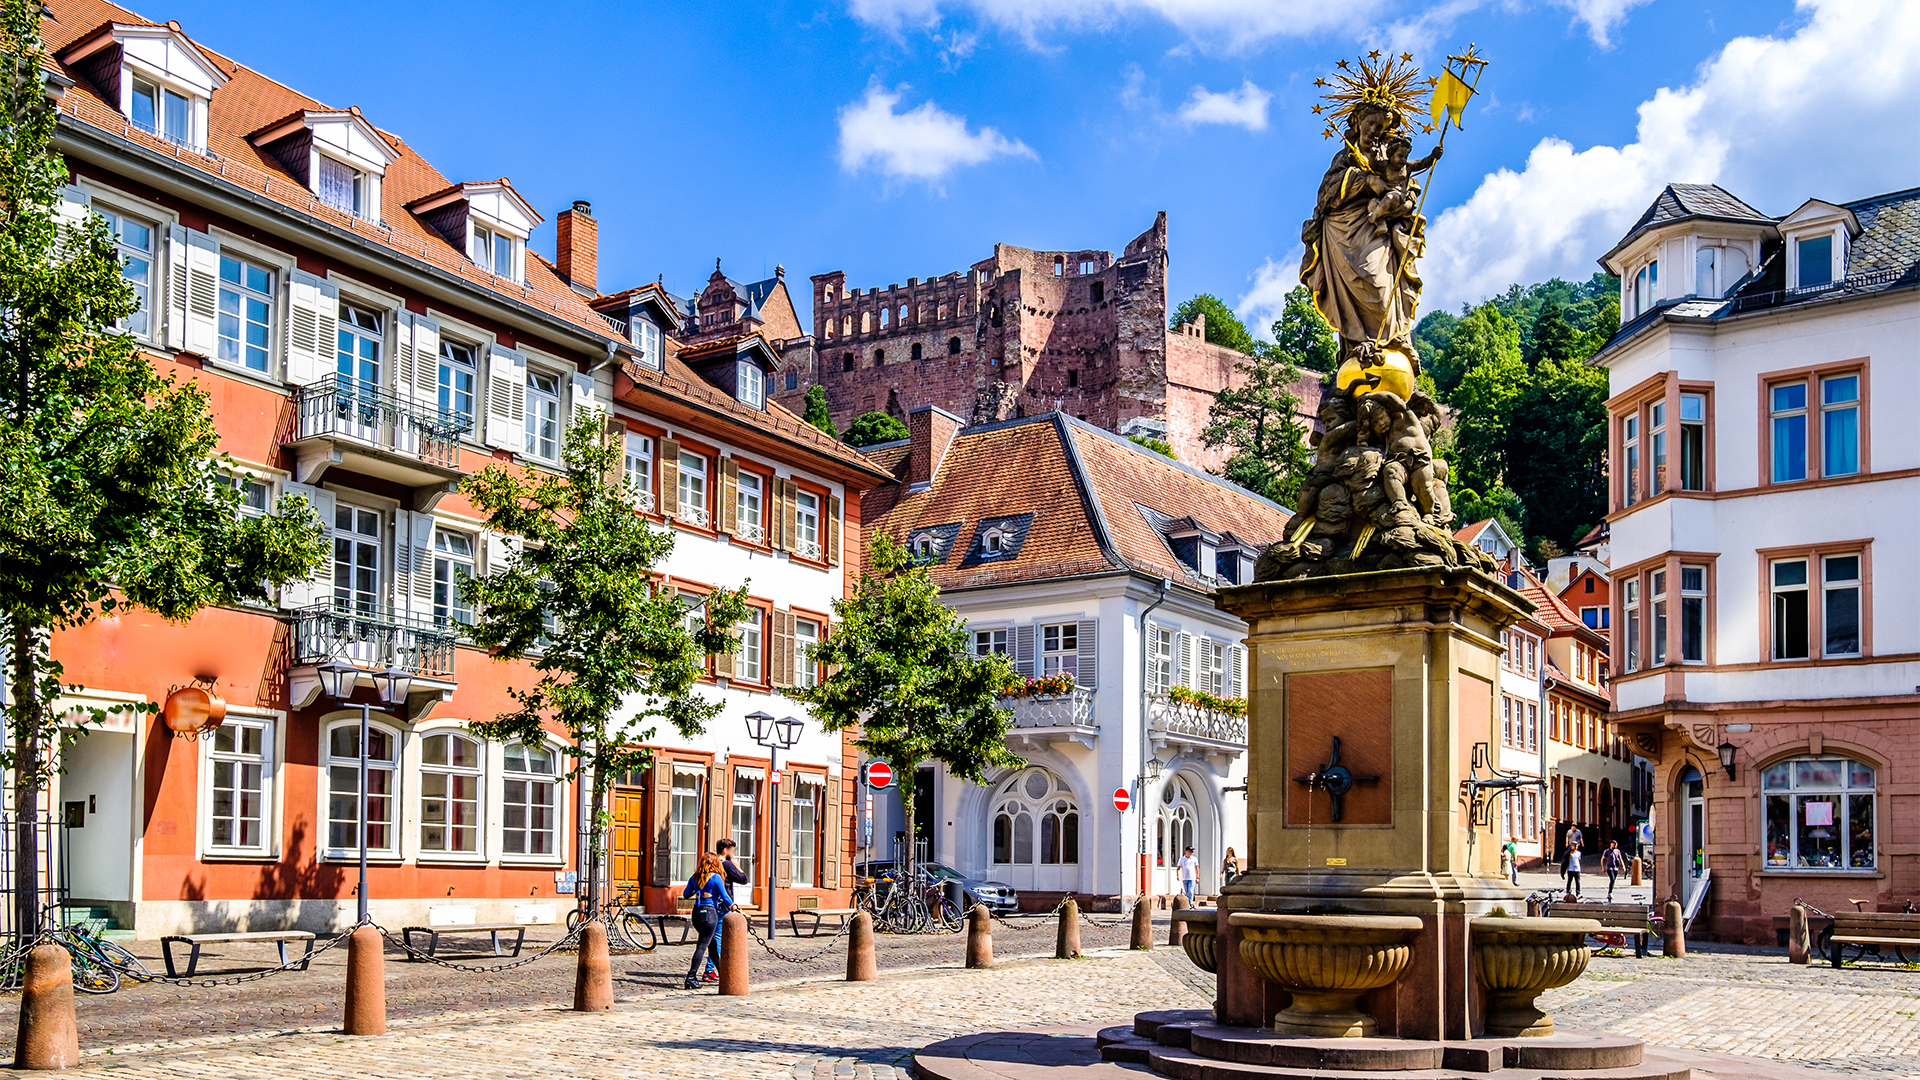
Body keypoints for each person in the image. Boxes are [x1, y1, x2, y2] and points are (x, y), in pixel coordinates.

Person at [683, 851, 733, 990]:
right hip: (710, 914)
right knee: (702, 946)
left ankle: (724, 975)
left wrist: (697, 889)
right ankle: (691, 977)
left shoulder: (695, 877)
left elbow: (686, 894)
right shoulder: (716, 877)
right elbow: (725, 896)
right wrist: (734, 906)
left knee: (711, 945)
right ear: (715, 864)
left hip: (697, 915)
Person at [703, 839, 752, 981]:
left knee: (711, 938)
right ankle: (710, 970)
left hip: (711, 903)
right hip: (724, 905)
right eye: (732, 850)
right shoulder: (727, 865)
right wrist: (737, 866)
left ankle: (711, 968)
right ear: (725, 850)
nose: (732, 853)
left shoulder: (712, 862)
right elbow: (743, 879)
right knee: (718, 938)